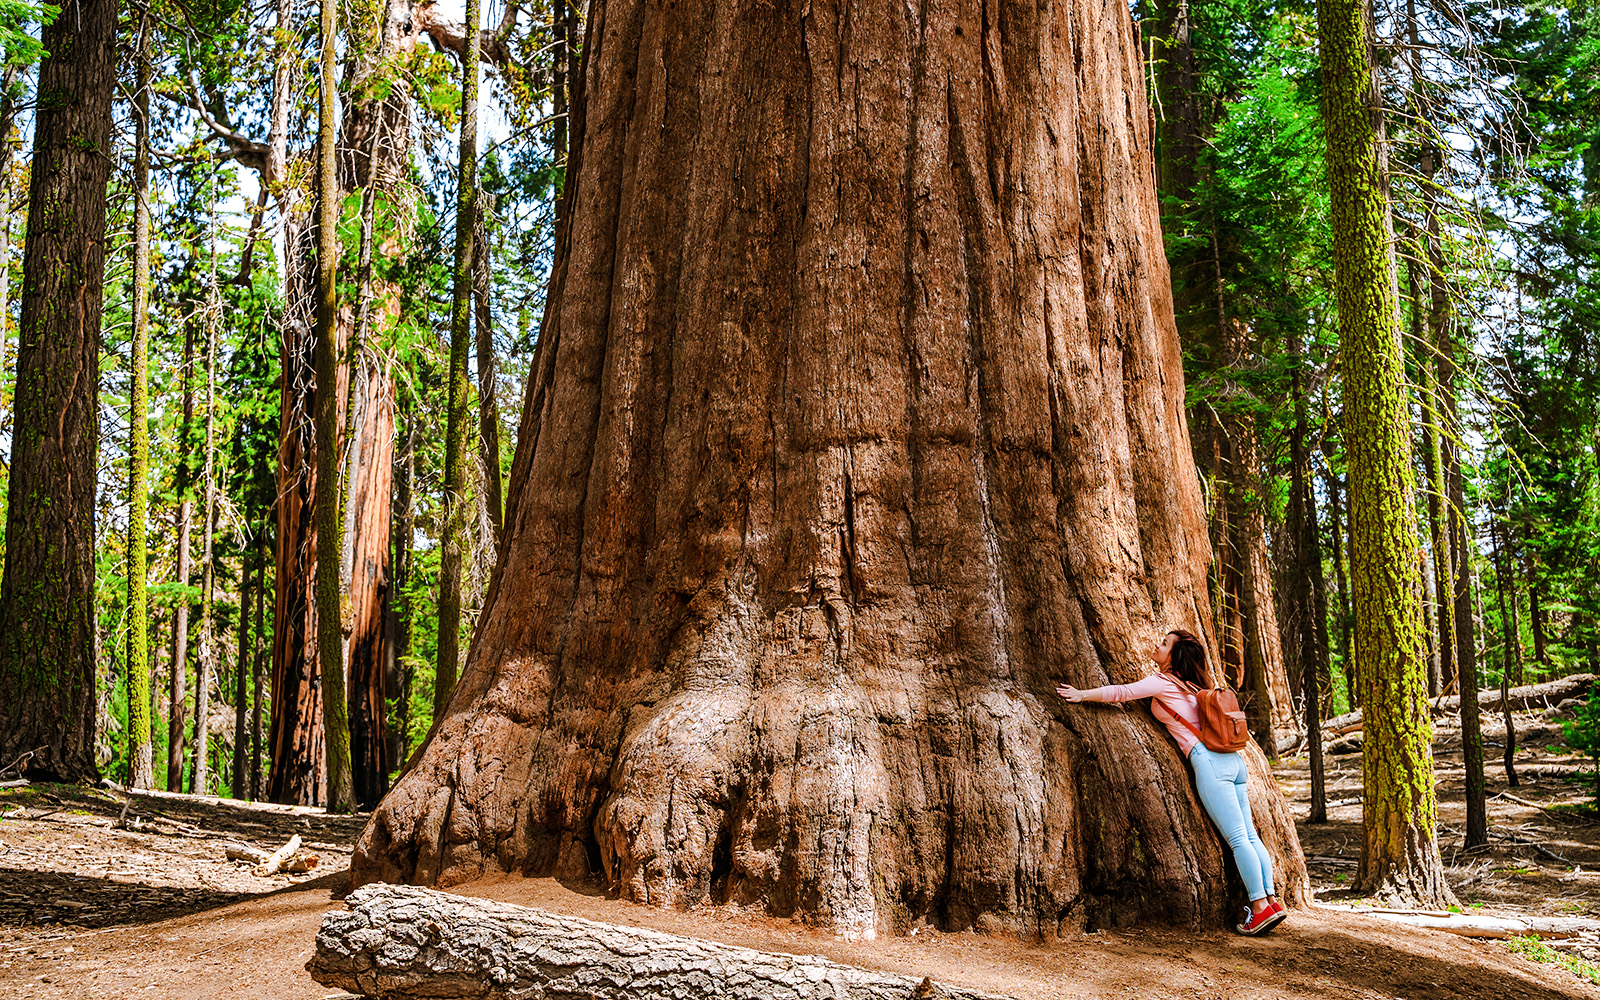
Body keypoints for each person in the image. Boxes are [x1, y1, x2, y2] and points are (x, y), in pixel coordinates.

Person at [1056, 629, 1287, 936]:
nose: (1156, 644)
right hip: (1234, 761)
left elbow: (1122, 693)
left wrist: (1082, 695)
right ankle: (1272, 901)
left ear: (1174, 656)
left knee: (1237, 839)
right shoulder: (1197, 685)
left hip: (1208, 761)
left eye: (1163, 644)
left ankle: (1258, 908)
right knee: (1250, 836)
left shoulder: (1163, 682)